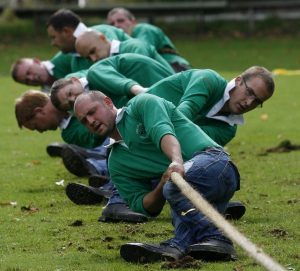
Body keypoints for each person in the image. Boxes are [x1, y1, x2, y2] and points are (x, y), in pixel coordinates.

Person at [74, 91, 241, 262]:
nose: (91, 121)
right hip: (188, 192)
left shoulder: (142, 104)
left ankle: (218, 238)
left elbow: (162, 131)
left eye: (92, 112)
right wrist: (161, 184)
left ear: (108, 103)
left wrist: (176, 162)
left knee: (174, 186)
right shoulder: (116, 163)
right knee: (172, 188)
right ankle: (178, 247)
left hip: (216, 163)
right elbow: (145, 207)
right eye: (84, 121)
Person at [14, 90, 147, 223]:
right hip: (122, 138)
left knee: (119, 147)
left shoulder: (68, 91)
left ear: (39, 111)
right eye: (83, 120)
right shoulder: (68, 132)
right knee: (116, 149)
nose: (41, 131)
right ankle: (104, 180)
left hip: (132, 124)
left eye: (36, 126)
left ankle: (99, 174)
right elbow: (96, 136)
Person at [147, 66, 275, 146]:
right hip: (135, 116)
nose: (249, 103)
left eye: (257, 101)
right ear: (238, 81)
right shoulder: (208, 80)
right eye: (249, 92)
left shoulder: (228, 131)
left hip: (148, 145)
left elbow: (189, 141)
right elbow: (181, 115)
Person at [50, 53, 174, 111]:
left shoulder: (93, 74)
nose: (73, 99)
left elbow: (121, 84)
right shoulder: (91, 101)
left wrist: (139, 91)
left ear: (74, 80)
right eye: (70, 104)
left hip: (145, 75)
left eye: (69, 93)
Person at [107, 7, 192, 72]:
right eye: (112, 23)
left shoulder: (143, 29)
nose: (116, 25)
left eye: (121, 21)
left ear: (133, 22)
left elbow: (142, 54)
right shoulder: (124, 42)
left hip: (176, 68)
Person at [75, 30, 173, 72]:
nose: (93, 59)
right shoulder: (105, 64)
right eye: (88, 58)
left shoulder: (134, 47)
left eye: (92, 51)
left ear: (102, 38)